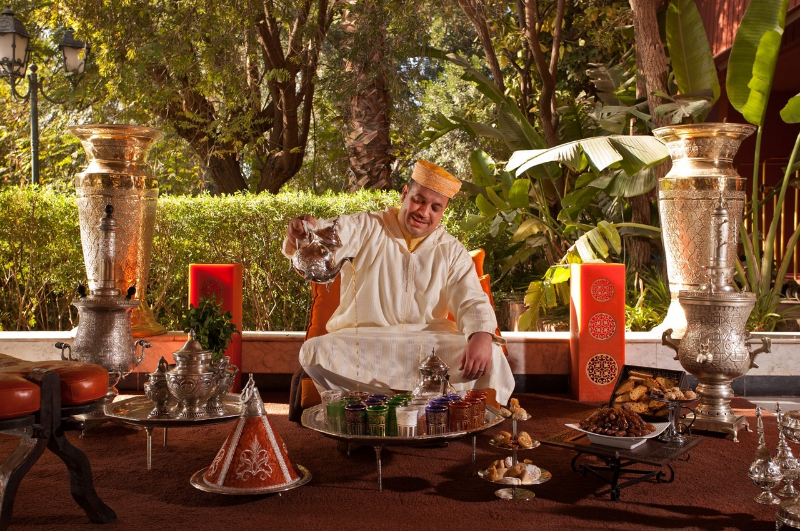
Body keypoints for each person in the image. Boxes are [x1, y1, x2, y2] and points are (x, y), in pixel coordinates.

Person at [283, 160, 515, 405]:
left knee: (491, 353)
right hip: (366, 342)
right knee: (316, 351)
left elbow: (472, 300)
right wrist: (304, 232)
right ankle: (403, 407)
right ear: (405, 194)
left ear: (443, 211)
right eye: (419, 200)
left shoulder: (452, 250)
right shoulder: (367, 226)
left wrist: (481, 334)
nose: (424, 212)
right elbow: (329, 234)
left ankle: (403, 407)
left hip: (428, 345)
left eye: (435, 207)